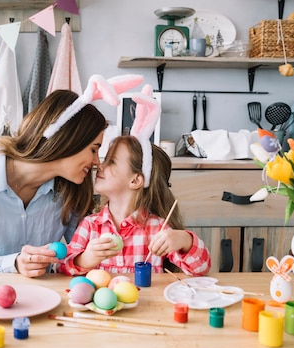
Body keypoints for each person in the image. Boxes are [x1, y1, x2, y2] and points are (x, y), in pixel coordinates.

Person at [0, 74, 144, 278]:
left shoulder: (73, 187)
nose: (97, 162)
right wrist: (14, 263)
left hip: (48, 297)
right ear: (68, 141)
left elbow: (84, 251)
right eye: (93, 150)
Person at [58, 85, 211, 276]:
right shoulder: (90, 225)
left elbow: (201, 268)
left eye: (111, 162)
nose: (100, 165)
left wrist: (183, 240)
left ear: (135, 180)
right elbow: (62, 268)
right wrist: (85, 258)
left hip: (148, 305)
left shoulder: (157, 228)